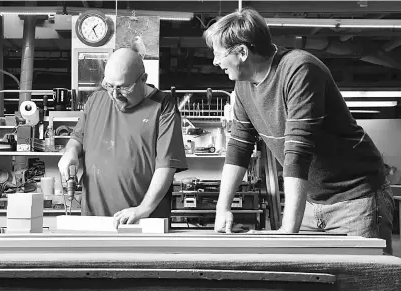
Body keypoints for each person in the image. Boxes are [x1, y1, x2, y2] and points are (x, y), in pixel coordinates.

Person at [203, 8, 394, 254]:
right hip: (310, 203)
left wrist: (287, 232)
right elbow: (239, 146)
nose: (215, 62)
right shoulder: (242, 86)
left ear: (242, 52)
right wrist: (223, 208)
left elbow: (298, 150)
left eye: (218, 55)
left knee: (363, 280)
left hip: (355, 200)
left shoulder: (299, 69)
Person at [58, 48, 187, 229]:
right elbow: (77, 139)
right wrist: (70, 153)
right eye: (109, 85)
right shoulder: (95, 100)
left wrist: (143, 209)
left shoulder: (163, 106)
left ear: (143, 79)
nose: (114, 94)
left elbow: (167, 165)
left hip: (143, 223)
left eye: (123, 87)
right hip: (94, 221)